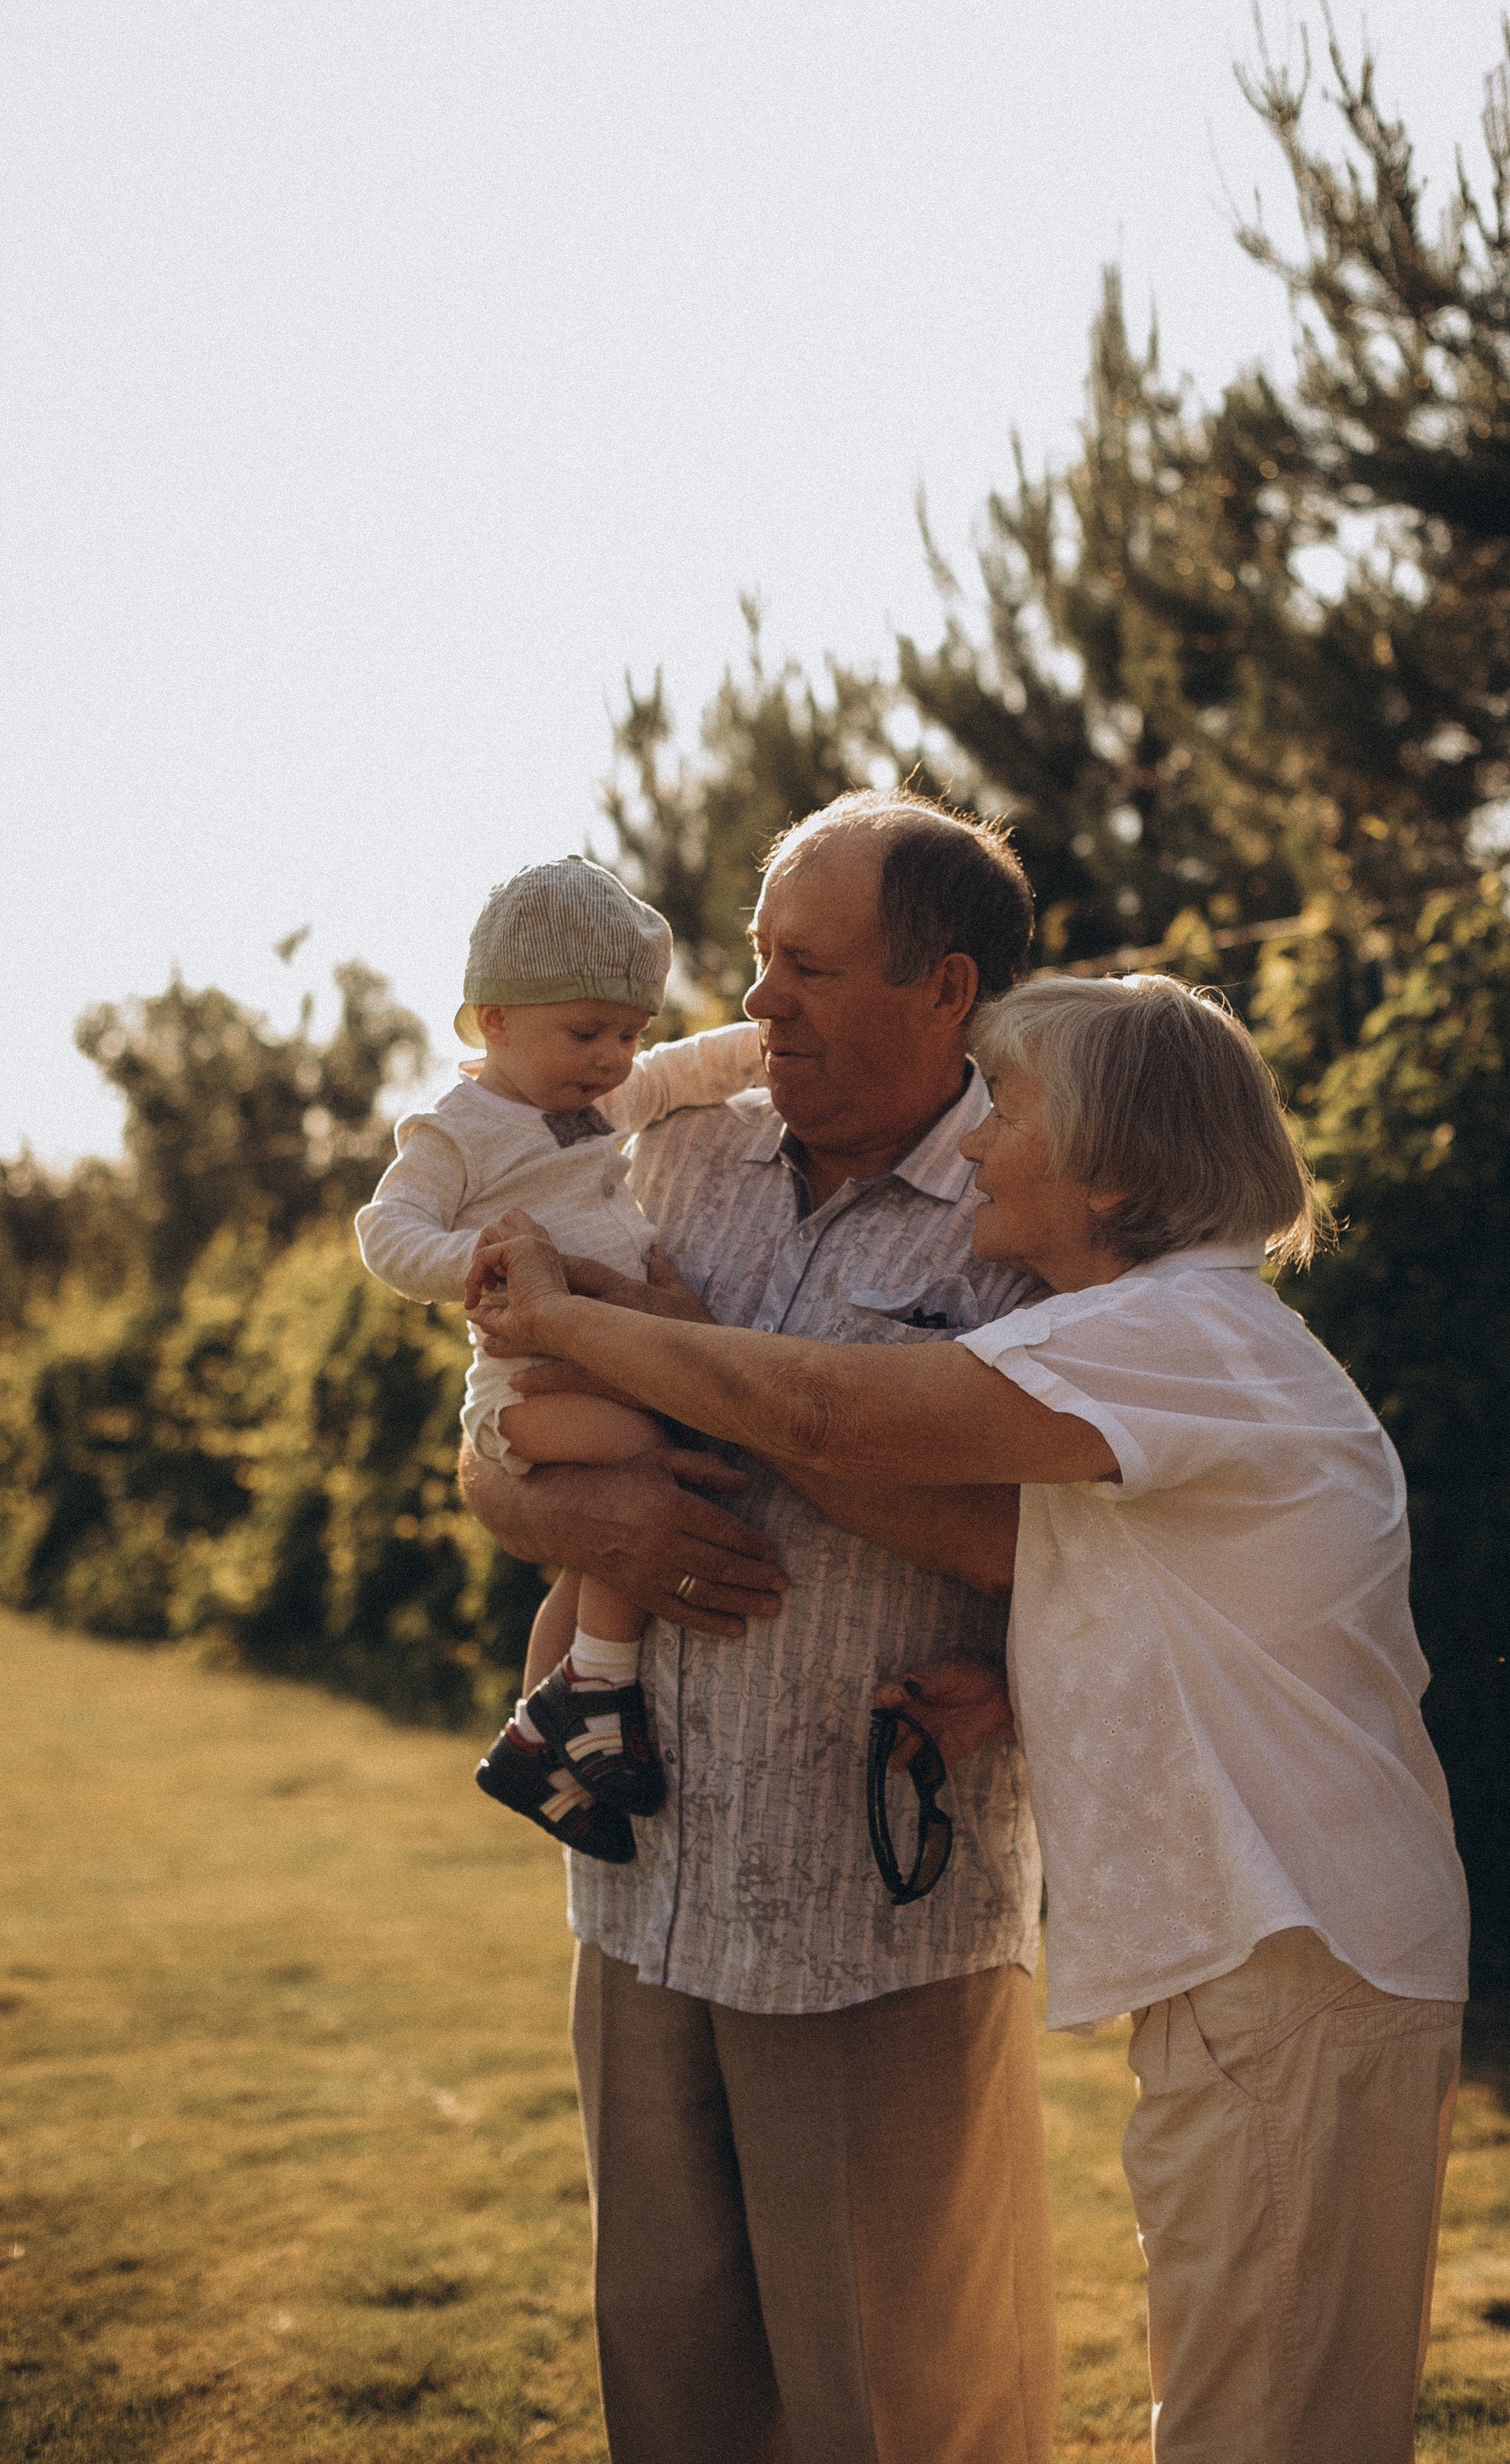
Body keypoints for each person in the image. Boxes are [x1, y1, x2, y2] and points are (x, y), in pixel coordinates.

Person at [468, 971, 1471, 2464]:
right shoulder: (1169, 1339)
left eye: (1012, 1110)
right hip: (1272, 1961)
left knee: (1260, 2431)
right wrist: (1024, 1683)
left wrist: (567, 1322)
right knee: (1251, 2406)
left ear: (1117, 1167)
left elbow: (828, 1418)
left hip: (1286, 1957)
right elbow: (1118, 1573)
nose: (982, 1143)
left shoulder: (1169, 1330)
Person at [458, 795, 1060, 2464]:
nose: (758, 1003)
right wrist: (587, 1517)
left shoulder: (1038, 1204)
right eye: (754, 960)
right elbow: (488, 1443)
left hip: (869, 1915)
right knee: (674, 2397)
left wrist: (751, 1419)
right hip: (637, 1888)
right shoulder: (655, 1151)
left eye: (802, 967)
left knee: (900, 2408)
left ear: (944, 992)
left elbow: (1057, 1532)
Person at [356, 855, 765, 1859]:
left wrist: (766, 1044)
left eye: (627, 1033)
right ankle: (597, 1691)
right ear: (493, 1018)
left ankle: (539, 1741)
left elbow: (683, 1073)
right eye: (585, 1033)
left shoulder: (602, 1100)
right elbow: (387, 1234)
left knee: (591, 1552)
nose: (613, 1059)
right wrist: (484, 1257)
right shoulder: (457, 1130)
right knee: (638, 1457)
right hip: (522, 1387)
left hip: (601, 1360)